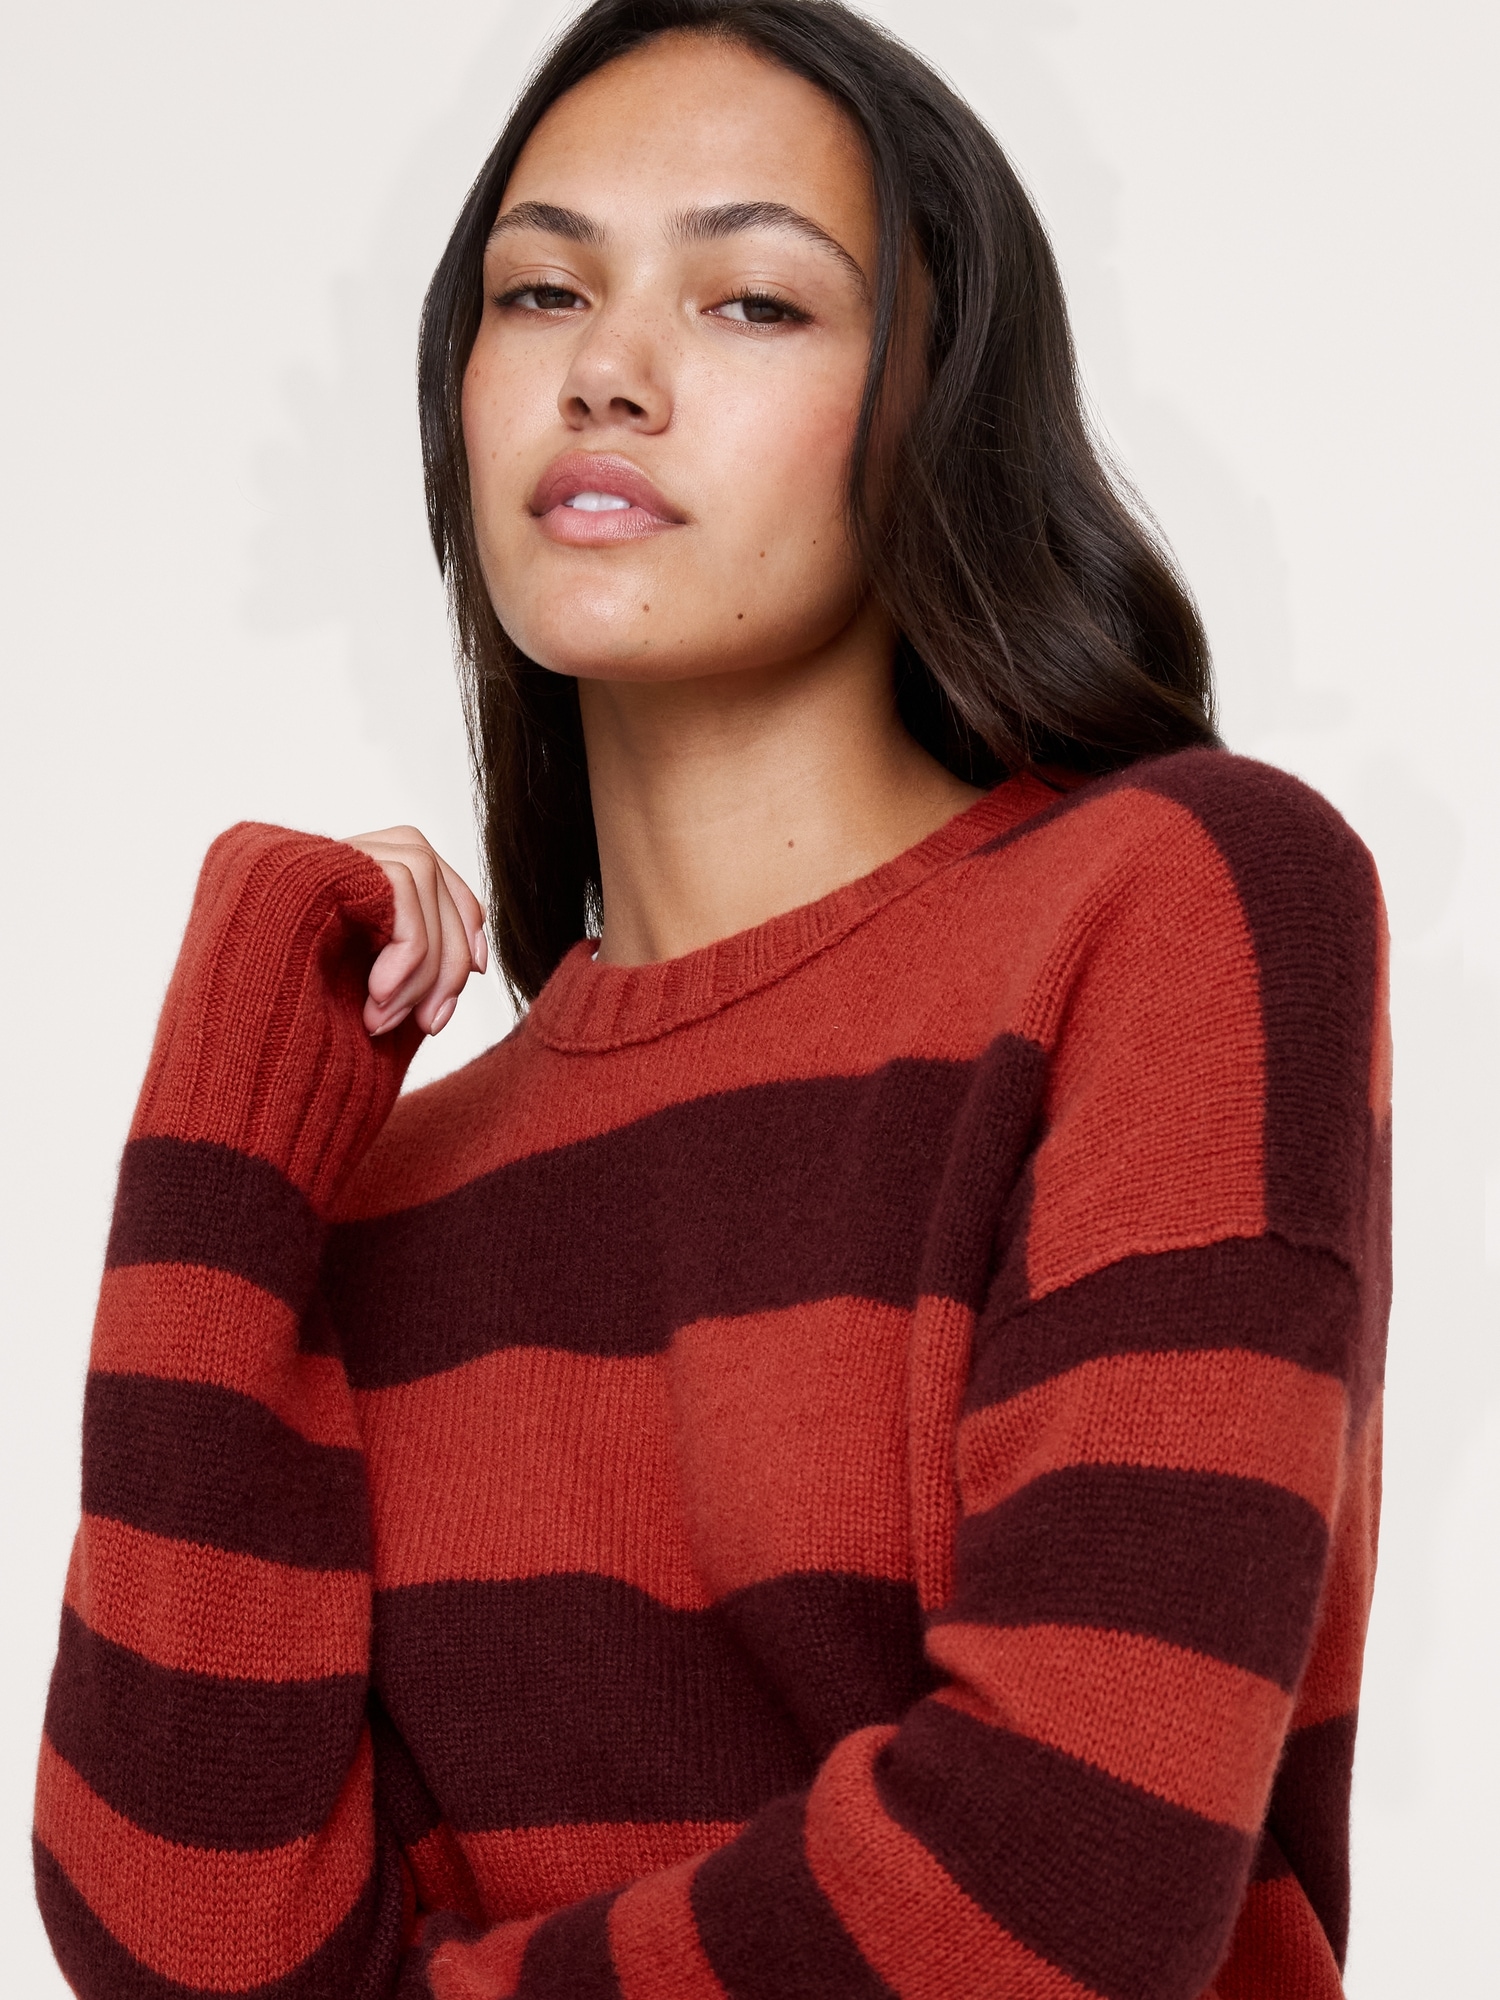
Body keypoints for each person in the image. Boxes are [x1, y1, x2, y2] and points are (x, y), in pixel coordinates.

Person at [34, 2, 1390, 1996]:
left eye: (755, 299)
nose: (607, 368)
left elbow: (1052, 1897)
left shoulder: (1172, 902)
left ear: (938, 407)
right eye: (542, 290)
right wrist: (242, 1097)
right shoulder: (390, 1198)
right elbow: (187, 1945)